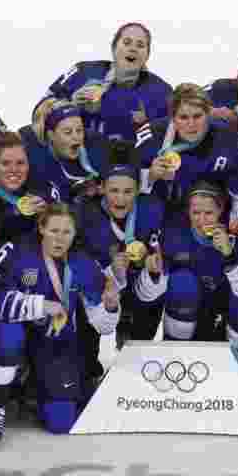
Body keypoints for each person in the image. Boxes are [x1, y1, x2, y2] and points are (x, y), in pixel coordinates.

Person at [0, 203, 121, 438]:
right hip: (22, 341)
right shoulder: (17, 253)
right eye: (54, 231)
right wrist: (41, 306)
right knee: (8, 335)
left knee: (61, 422)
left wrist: (110, 306)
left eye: (66, 232)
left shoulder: (83, 264)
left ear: (75, 233)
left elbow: (103, 326)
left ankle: (39, 390)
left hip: (56, 346)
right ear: (41, 228)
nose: (60, 238)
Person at [141, 181, 238, 353]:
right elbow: (147, 294)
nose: (201, 220)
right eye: (195, 212)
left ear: (221, 210)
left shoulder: (237, 234)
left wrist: (229, 255)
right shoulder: (173, 233)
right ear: (187, 211)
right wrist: (153, 273)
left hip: (227, 307)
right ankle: (176, 349)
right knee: (183, 281)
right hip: (188, 306)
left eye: (209, 213)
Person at [135, 83, 238, 234]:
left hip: (211, 220)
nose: (191, 124)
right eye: (183, 117)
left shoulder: (231, 141)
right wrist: (150, 176)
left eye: (197, 116)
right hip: (164, 217)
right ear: (173, 118)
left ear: (209, 113)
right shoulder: (150, 137)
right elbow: (119, 187)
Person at [77, 151, 166, 355]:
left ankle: (138, 349)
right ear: (102, 190)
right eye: (114, 191)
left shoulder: (152, 208)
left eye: (128, 191)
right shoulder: (86, 214)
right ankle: (89, 365)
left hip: (138, 282)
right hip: (104, 282)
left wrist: (153, 266)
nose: (120, 198)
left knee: (159, 286)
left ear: (138, 191)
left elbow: (161, 250)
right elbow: (82, 264)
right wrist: (112, 275)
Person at [35, 22, 172, 144]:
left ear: (147, 55)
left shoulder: (161, 92)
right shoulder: (83, 72)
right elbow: (40, 109)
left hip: (130, 165)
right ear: (113, 48)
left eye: (140, 45)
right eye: (126, 42)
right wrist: (70, 106)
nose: (133, 49)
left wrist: (144, 124)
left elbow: (180, 132)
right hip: (76, 159)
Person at [28, 102, 113, 206]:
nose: (76, 136)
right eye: (68, 132)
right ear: (51, 135)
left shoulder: (95, 145)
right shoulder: (39, 163)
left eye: (79, 130)